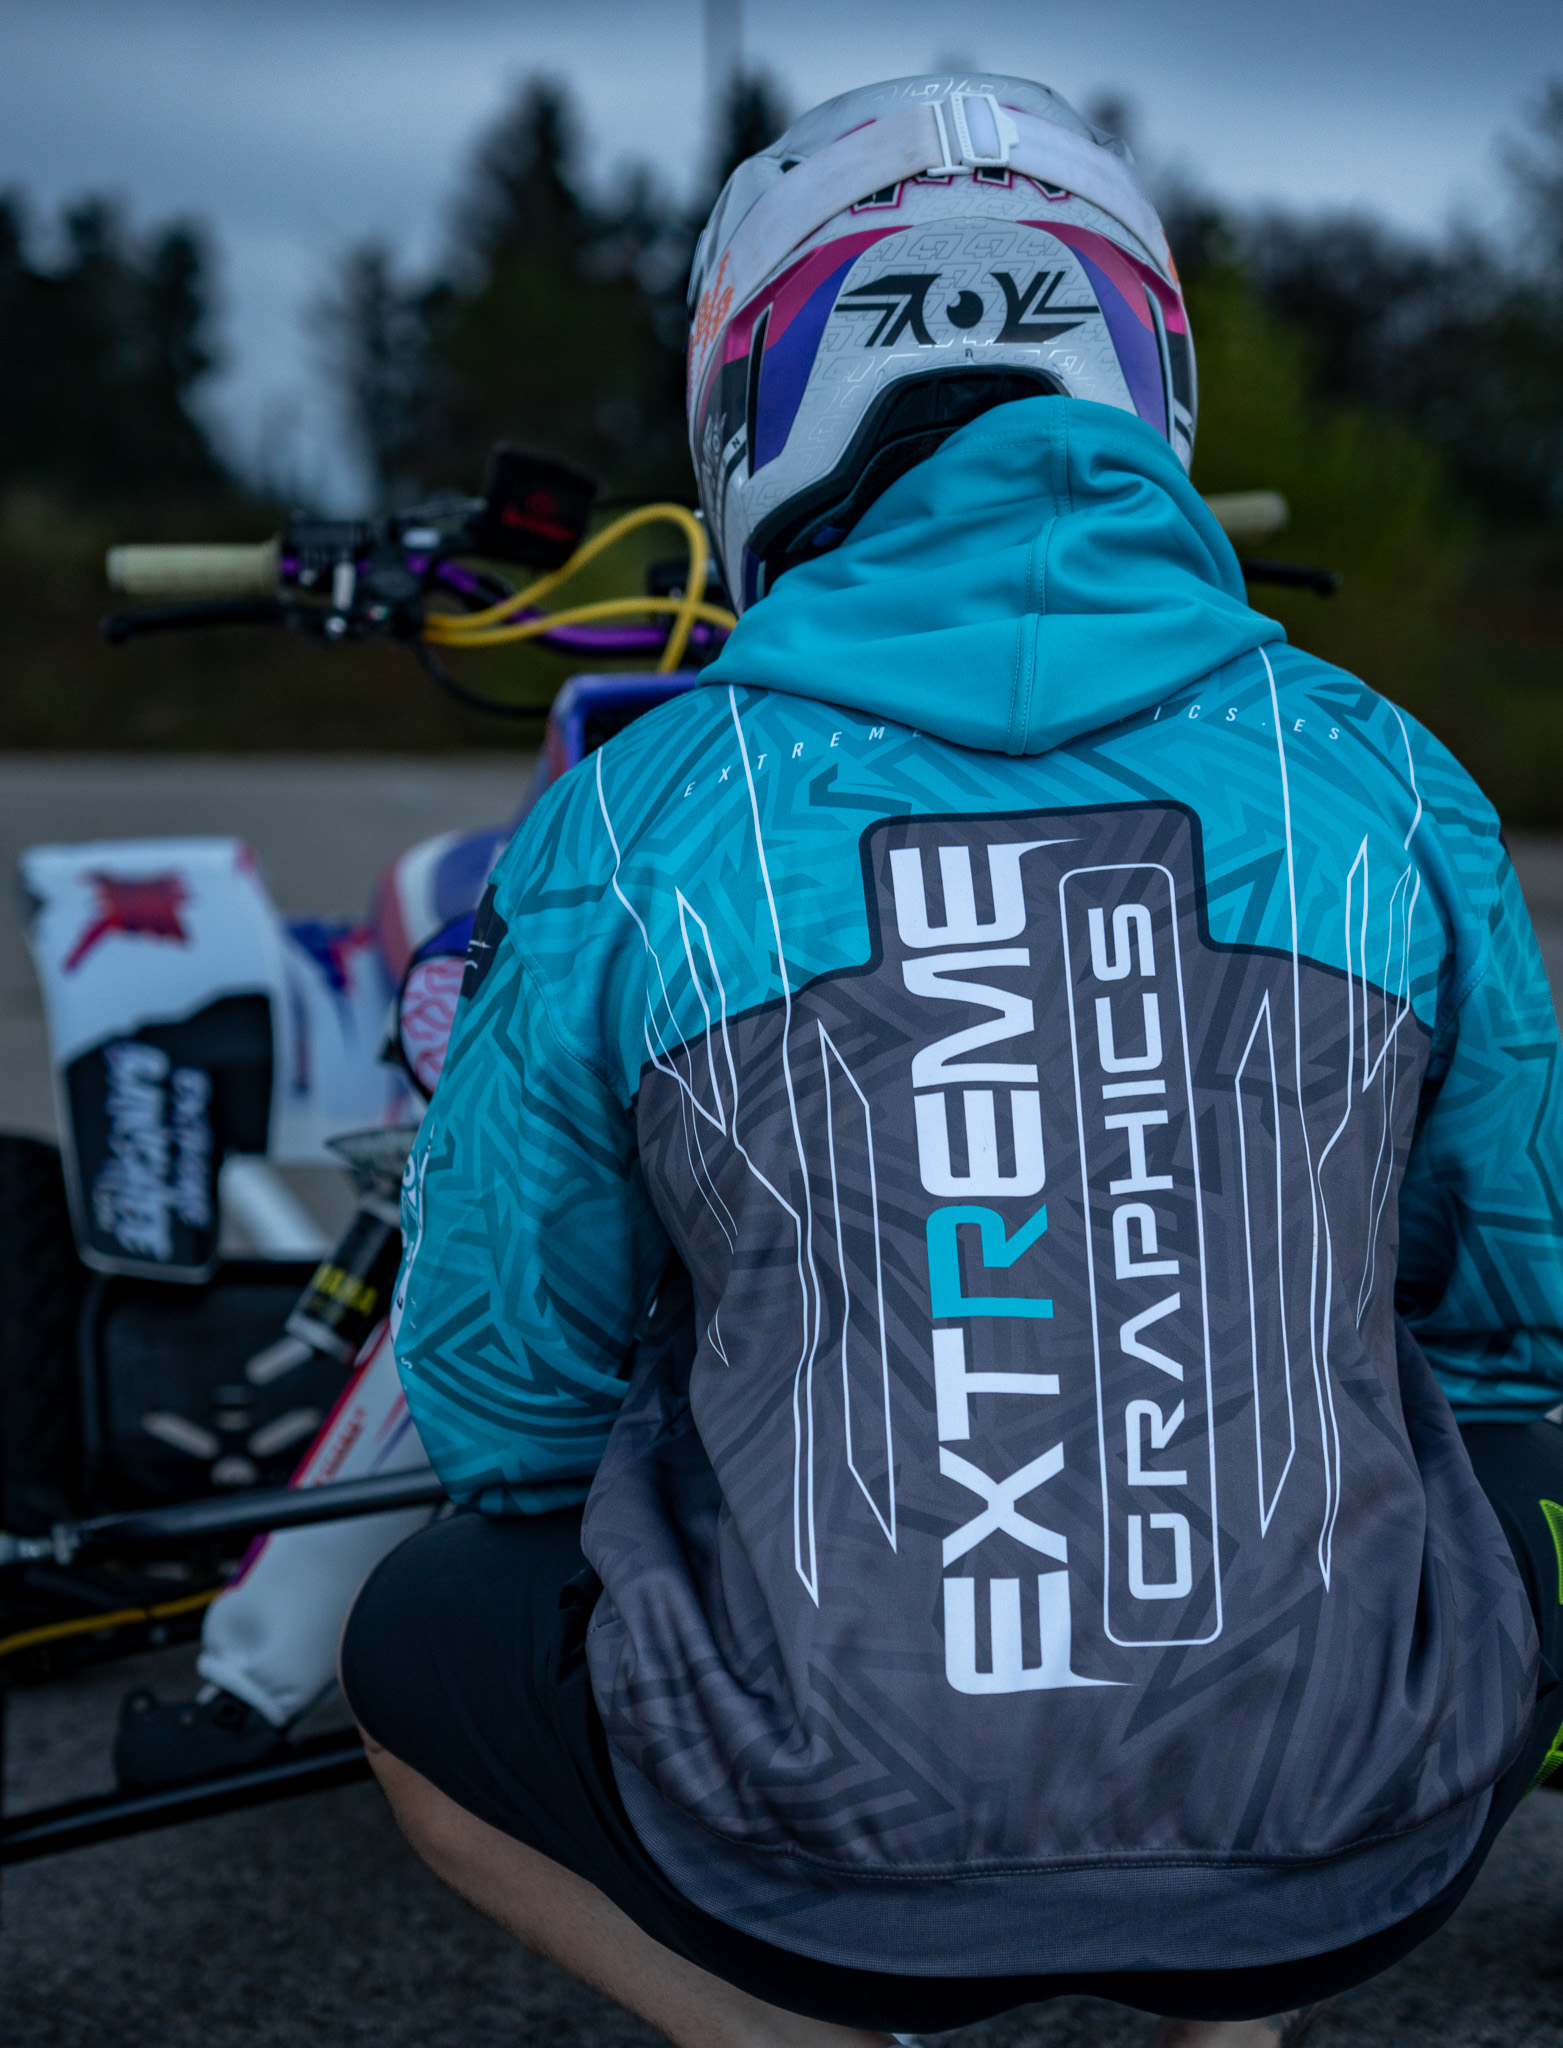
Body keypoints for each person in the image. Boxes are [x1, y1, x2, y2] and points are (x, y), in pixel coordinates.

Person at [340, 72, 1563, 2048]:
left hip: (808, 1863)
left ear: (752, 408)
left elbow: (502, 1402)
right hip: (1347, 1845)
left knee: (419, 1629)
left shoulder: (644, 810)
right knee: (1503, 1461)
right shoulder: (1380, 772)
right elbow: (1509, 1305)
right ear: (1143, 379)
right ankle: (1231, 2020)